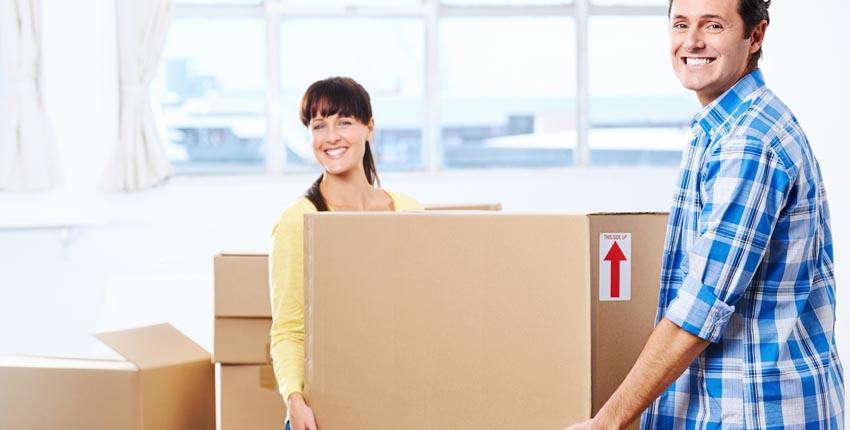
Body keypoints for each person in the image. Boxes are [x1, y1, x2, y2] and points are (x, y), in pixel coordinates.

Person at [567, 0, 843, 428]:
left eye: (713, 25)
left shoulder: (748, 142)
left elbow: (698, 311)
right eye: (681, 24)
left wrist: (607, 422)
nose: (691, 41)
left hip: (753, 413)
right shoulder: (720, 129)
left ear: (755, 36)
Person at [269, 77, 423, 430]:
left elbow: (421, 314)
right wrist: (295, 400)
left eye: (344, 122)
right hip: (328, 410)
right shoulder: (299, 220)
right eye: (319, 125)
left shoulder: (409, 211)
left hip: (398, 398)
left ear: (369, 128)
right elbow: (288, 330)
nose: (331, 136)